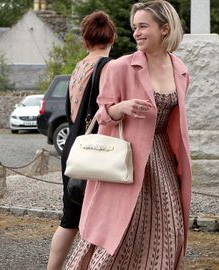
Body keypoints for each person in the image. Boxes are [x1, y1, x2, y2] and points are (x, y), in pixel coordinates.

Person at [66, 1, 192, 269]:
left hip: (162, 162)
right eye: (135, 27)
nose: (136, 33)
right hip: (125, 161)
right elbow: (100, 115)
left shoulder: (180, 70)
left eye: (143, 26)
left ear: (165, 29)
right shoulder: (120, 66)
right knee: (118, 233)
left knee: (168, 229)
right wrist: (120, 109)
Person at [46, 10, 115, 270]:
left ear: (85, 41)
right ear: (112, 38)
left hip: (74, 149)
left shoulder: (77, 68)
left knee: (70, 219)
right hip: (97, 151)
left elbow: (72, 112)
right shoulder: (109, 67)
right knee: (101, 220)